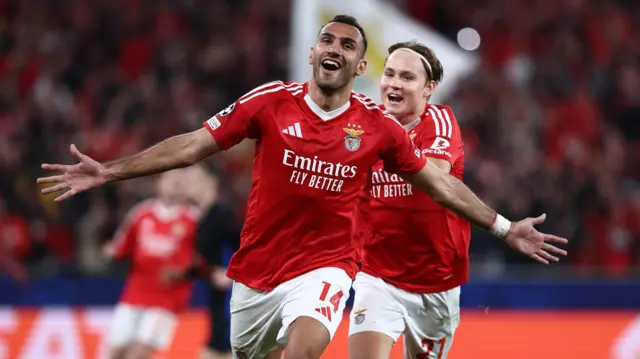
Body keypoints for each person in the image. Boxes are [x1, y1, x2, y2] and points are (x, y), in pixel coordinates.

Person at [37, 15, 567, 359]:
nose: (334, 48)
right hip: (257, 273)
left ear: (360, 65)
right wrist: (111, 170)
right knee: (252, 350)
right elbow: (193, 145)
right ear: (314, 54)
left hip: (340, 267)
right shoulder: (269, 101)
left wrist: (502, 227)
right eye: (326, 40)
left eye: (348, 45)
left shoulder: (381, 129)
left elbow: (439, 184)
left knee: (310, 342)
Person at [103, 169, 200, 359]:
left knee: (138, 354)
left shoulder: (193, 219)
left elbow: (201, 258)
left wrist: (184, 270)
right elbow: (121, 246)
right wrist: (111, 251)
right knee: (114, 352)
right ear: (159, 183)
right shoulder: (141, 214)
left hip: (167, 298)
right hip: (134, 293)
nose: (175, 184)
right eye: (171, 179)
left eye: (180, 181)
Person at [163, 165, 240, 359]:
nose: (188, 183)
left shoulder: (224, 215)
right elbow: (207, 264)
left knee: (222, 347)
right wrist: (183, 274)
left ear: (211, 183)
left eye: (194, 178)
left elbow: (248, 248)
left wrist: (233, 274)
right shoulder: (199, 219)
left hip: (231, 300)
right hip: (214, 299)